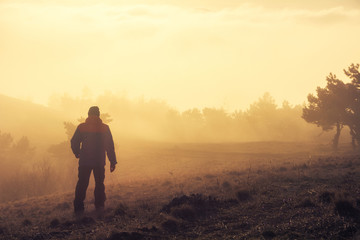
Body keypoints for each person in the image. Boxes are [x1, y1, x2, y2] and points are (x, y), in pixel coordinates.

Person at [71, 106, 117, 216]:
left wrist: (77, 153)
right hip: (99, 161)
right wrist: (113, 161)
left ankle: (78, 209)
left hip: (84, 161)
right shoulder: (105, 128)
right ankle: (99, 206)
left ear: (88, 114)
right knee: (99, 184)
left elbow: (74, 142)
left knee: (82, 183)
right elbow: (110, 145)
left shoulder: (82, 127)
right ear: (99, 115)